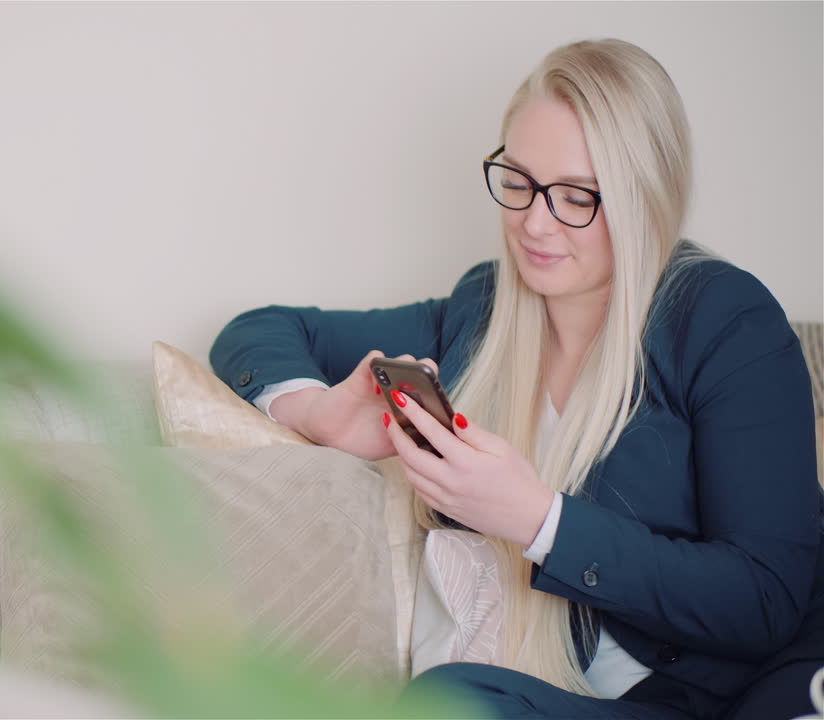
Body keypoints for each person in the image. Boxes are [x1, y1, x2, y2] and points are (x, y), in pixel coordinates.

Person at [209, 39, 823, 720]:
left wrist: (539, 521)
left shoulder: (724, 322)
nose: (533, 223)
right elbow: (257, 330)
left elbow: (765, 600)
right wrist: (316, 412)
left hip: (730, 697)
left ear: (644, 198)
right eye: (519, 181)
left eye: (576, 197)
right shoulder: (484, 310)